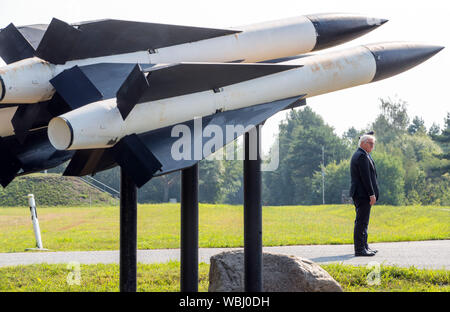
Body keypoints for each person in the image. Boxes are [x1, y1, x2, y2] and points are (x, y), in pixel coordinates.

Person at [349, 132, 379, 257]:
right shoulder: (361, 156)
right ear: (363, 143)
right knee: (361, 222)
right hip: (362, 194)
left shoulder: (364, 155)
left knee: (364, 222)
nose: (373, 146)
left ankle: (364, 246)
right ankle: (360, 249)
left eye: (373, 144)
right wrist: (371, 194)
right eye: (371, 144)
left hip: (362, 194)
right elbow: (365, 178)